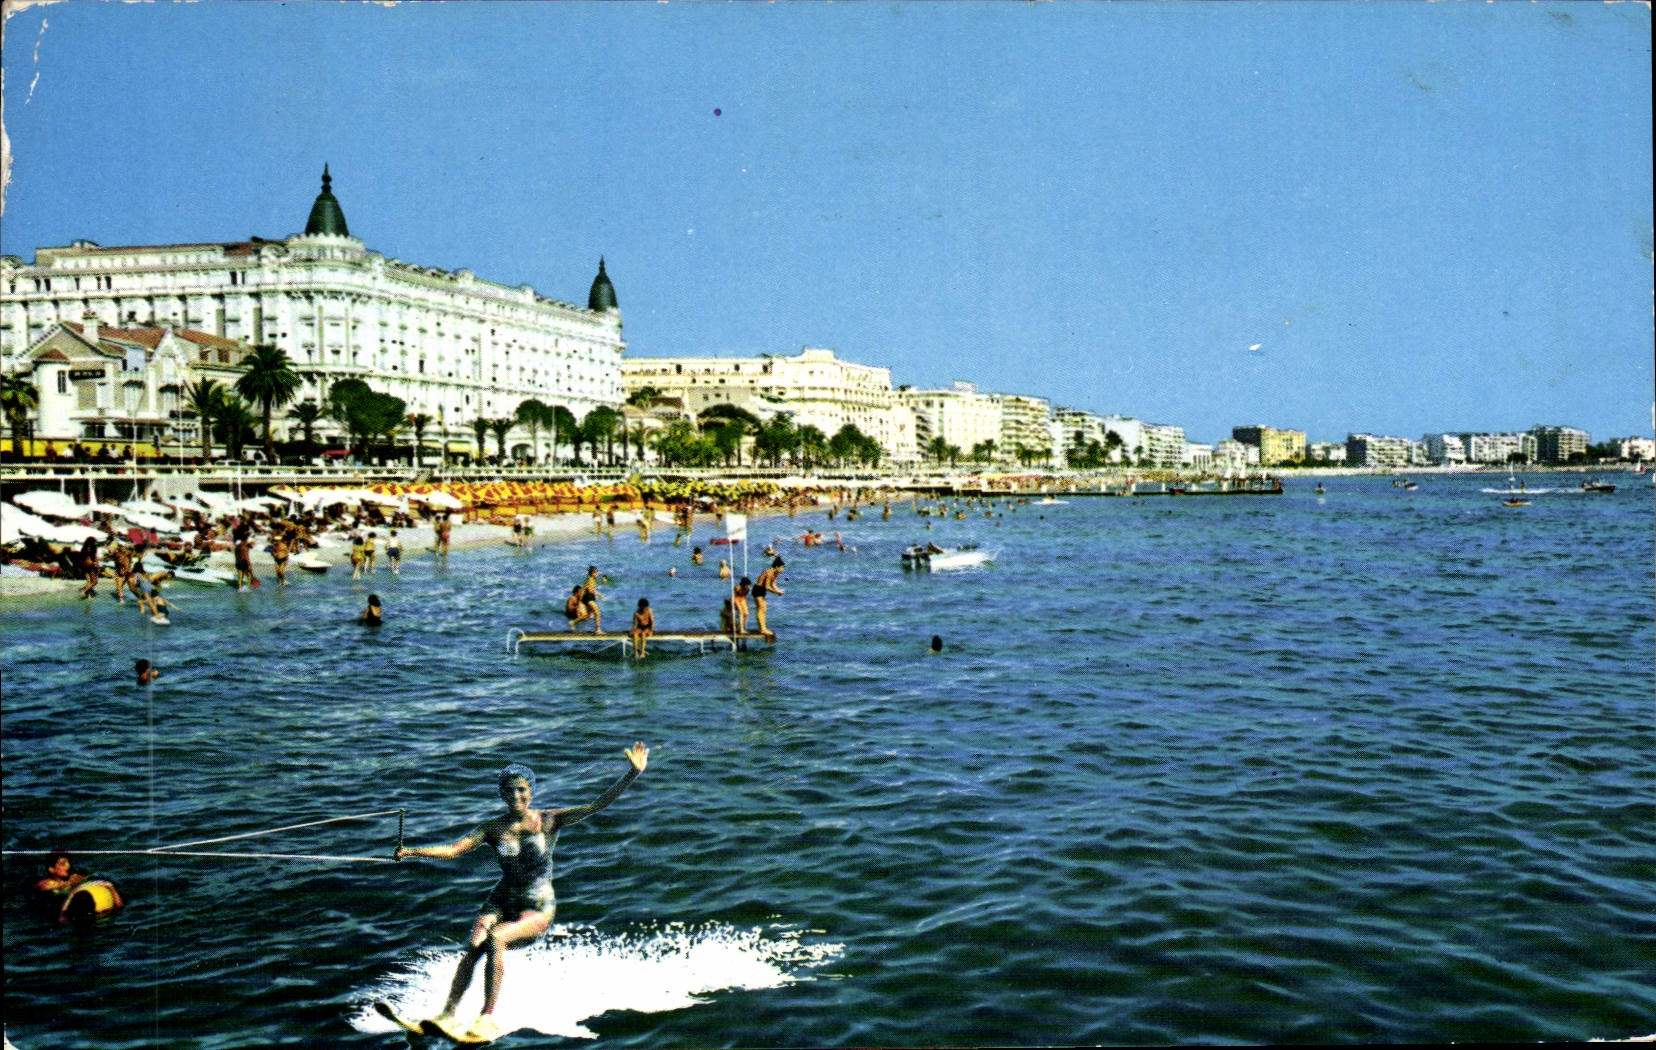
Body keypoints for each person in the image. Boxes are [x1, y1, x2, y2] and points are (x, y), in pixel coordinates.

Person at [396, 745, 649, 1043]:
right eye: (509, 791)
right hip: (502, 899)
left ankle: (487, 1018)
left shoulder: (548, 821)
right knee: (474, 945)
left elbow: (596, 805)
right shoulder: (492, 828)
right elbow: (453, 850)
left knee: (496, 938)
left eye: (522, 790)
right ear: (501, 794)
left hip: (536, 906)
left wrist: (633, 773)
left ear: (531, 791)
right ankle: (447, 1015)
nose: (516, 796)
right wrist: (411, 851)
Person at [34, 850, 123, 922]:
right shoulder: (46, 885)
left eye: (69, 862)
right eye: (63, 864)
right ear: (52, 869)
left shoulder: (76, 877)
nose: (68, 866)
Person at [752, 558, 785, 638]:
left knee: (764, 610)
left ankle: (763, 628)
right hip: (758, 589)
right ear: (776, 567)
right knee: (761, 609)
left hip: (762, 591)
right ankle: (762, 629)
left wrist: (779, 590)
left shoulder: (775, 574)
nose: (782, 570)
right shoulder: (769, 572)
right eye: (781, 567)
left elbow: (773, 584)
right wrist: (777, 592)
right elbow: (767, 587)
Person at [579, 566, 603, 633]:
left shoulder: (591, 580)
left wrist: (598, 594)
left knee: (589, 615)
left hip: (590, 598)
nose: (597, 574)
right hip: (589, 598)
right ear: (592, 573)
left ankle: (574, 623)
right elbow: (590, 590)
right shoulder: (590, 580)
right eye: (596, 573)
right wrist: (598, 594)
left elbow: (584, 588)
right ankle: (597, 630)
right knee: (597, 612)